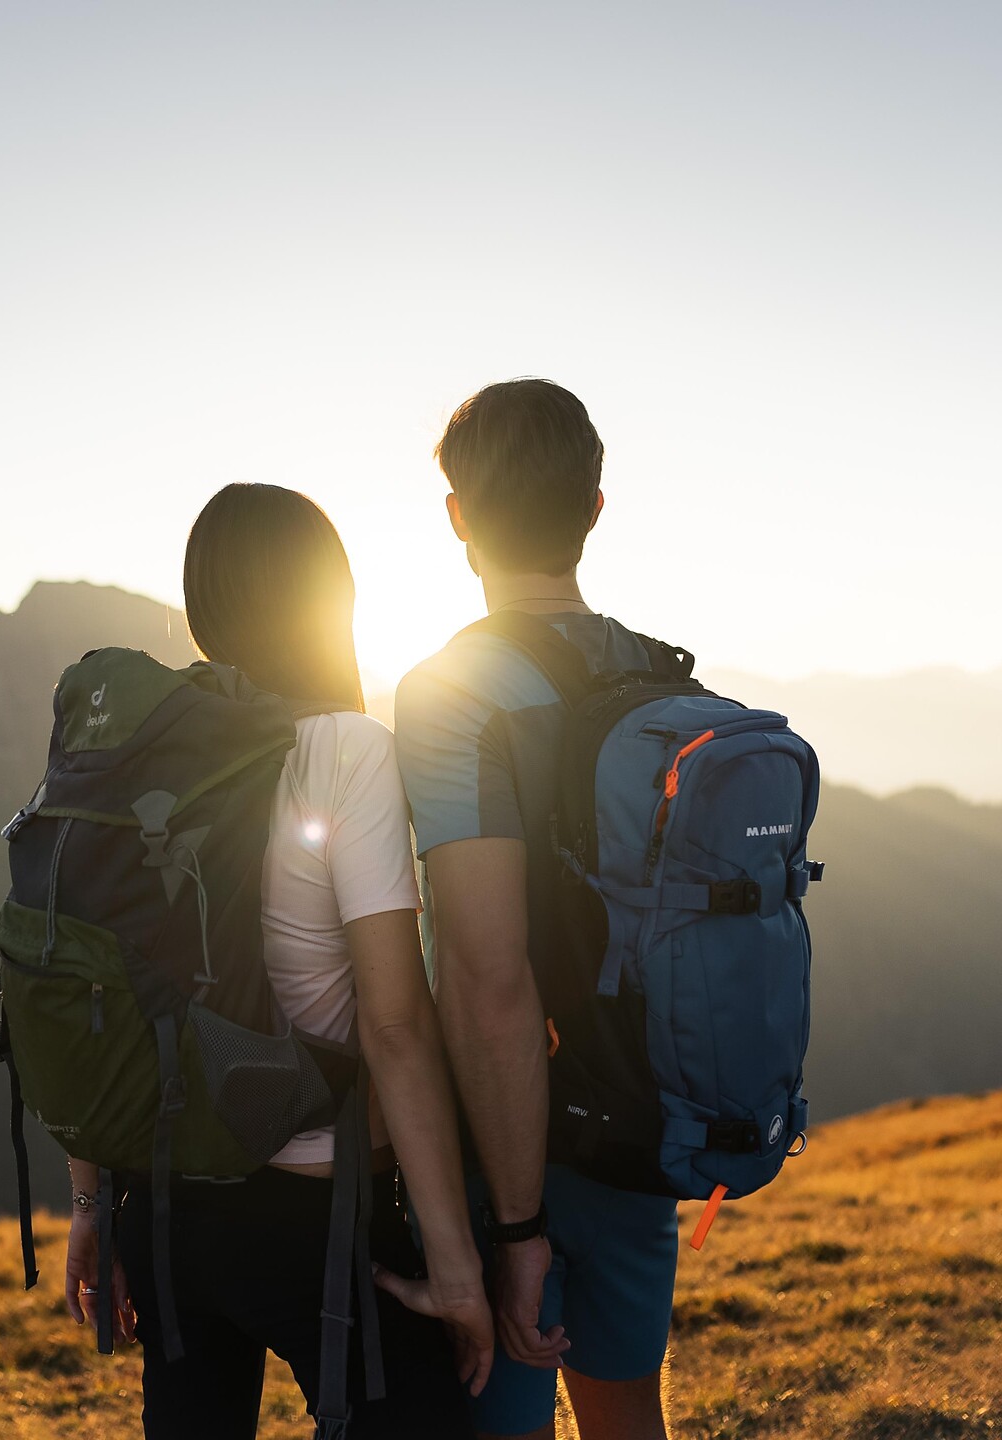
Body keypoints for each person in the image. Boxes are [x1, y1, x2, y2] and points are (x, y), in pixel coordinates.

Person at [62, 483, 494, 1439]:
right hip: (317, 1216)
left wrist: (90, 1202)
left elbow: (94, 984)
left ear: (202, 600)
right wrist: (458, 1272)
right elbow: (393, 1025)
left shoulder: (130, 757)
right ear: (328, 596)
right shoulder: (346, 750)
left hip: (166, 1207)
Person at [395, 380, 681, 1440]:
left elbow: (489, 979)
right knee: (627, 1423)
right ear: (594, 509)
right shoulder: (665, 685)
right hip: (644, 1139)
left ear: (460, 516)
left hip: (508, 1164)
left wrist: (516, 1231)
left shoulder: (453, 692)